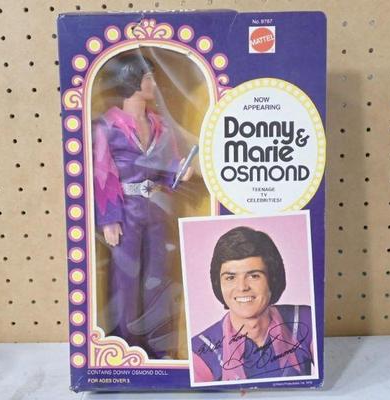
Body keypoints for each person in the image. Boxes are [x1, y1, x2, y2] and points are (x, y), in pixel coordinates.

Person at [93, 53, 193, 359]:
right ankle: (124, 345)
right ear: (131, 81)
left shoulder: (159, 125)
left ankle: (157, 345)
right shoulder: (107, 126)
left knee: (157, 278)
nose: (153, 83)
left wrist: (179, 172)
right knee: (125, 281)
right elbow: (102, 173)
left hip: (156, 210)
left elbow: (166, 166)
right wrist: (108, 218)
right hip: (125, 212)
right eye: (148, 78)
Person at [192, 226, 313, 382]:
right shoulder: (200, 350)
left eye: (254, 276)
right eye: (230, 278)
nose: (242, 287)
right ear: (219, 284)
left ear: (272, 279)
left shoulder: (305, 320)